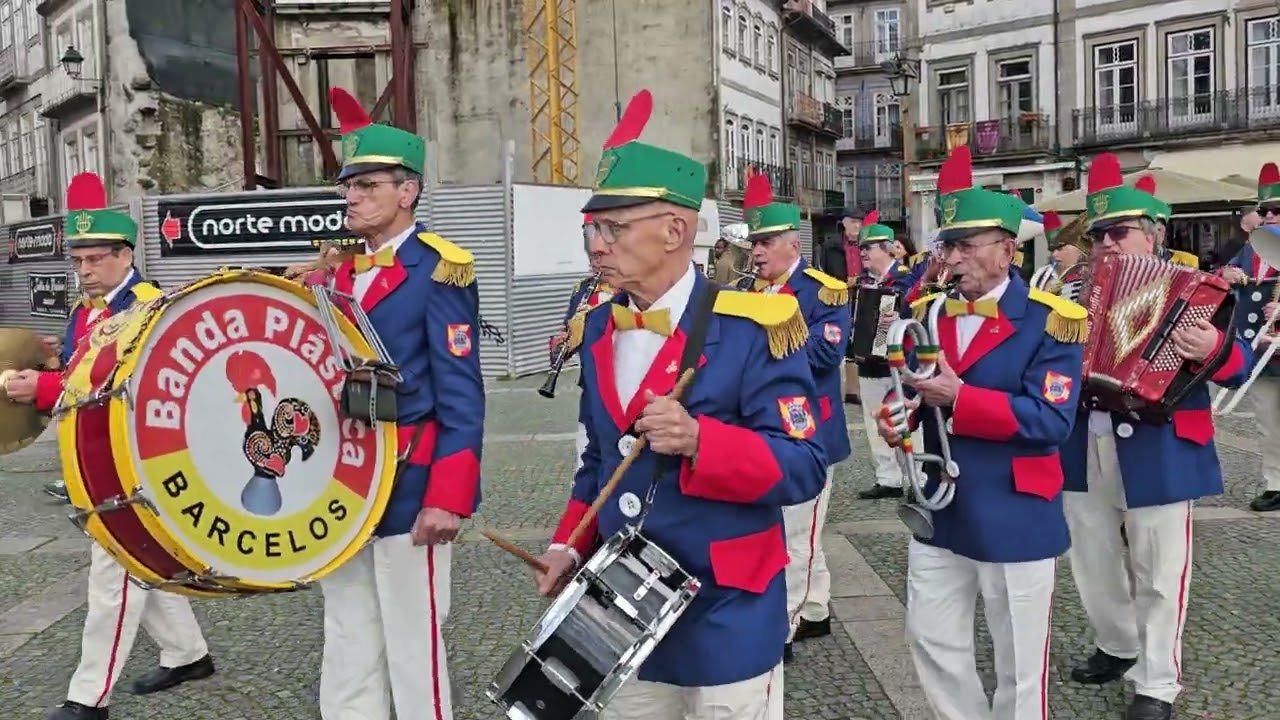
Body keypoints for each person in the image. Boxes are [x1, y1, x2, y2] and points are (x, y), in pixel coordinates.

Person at [532, 89, 827, 720]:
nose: (596, 246)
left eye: (613, 227)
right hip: (624, 601)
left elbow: (805, 464)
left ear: (675, 229)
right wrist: (566, 544)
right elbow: (597, 465)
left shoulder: (755, 325)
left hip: (727, 603)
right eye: (591, 229)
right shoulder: (597, 330)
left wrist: (703, 441)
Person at [875, 145, 1087, 720]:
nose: (954, 257)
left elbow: (1050, 422)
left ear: (1007, 252)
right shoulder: (932, 314)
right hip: (942, 507)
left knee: (1020, 661)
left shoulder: (1051, 319)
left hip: (1017, 508)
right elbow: (916, 397)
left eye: (967, 246)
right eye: (948, 245)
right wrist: (902, 415)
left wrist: (963, 399)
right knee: (932, 637)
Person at [2, 172, 215, 720]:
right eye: (78, 260)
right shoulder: (84, 312)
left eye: (96, 259)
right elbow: (80, 369)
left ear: (125, 256)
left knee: (113, 575)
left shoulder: (148, 306)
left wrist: (45, 386)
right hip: (92, 456)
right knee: (138, 562)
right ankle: (189, 654)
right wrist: (49, 362)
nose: (84, 270)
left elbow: (127, 383)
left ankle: (87, 697)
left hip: (136, 461)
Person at [307, 87, 485, 720]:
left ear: (406, 192)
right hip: (340, 479)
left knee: (415, 640)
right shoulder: (333, 273)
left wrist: (450, 493)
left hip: (411, 479)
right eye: (348, 186)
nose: (351, 196)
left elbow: (463, 395)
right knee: (347, 630)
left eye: (368, 185)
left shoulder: (440, 271)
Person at [1059, 153, 1253, 720]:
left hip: (1159, 440)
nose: (1106, 246)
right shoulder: (1073, 291)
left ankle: (1158, 681)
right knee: (1093, 558)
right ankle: (1118, 644)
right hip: (1086, 435)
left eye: (1117, 233)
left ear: (1154, 234)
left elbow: (1238, 361)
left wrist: (1210, 351)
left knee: (1160, 568)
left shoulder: (1198, 287)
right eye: (1097, 236)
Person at [738, 172, 851, 662]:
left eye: (765, 244)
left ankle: (779, 630)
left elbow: (825, 358)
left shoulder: (823, 291)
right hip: (760, 431)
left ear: (790, 244)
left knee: (794, 536)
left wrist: (763, 350)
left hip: (810, 434)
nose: (756, 253)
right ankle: (817, 610)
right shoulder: (746, 290)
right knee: (801, 530)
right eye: (754, 244)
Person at [1220, 163, 1280, 512]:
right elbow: (1222, 274)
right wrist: (1226, 273)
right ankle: (1275, 483)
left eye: (1278, 210)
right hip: (1262, 352)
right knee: (1268, 422)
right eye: (1265, 211)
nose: (1270, 216)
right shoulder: (1253, 248)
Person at [851, 214, 914, 500]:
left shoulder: (906, 280)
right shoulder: (861, 284)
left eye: (870, 247)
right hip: (868, 362)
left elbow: (920, 318)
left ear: (889, 248)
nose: (863, 252)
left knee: (905, 421)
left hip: (897, 364)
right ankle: (887, 478)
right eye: (862, 248)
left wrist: (902, 317)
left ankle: (916, 477)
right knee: (873, 423)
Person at [552, 213, 617, 470]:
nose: (594, 261)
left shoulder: (629, 291)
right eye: (591, 257)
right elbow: (567, 333)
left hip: (623, 395)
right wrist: (561, 346)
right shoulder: (582, 290)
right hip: (590, 396)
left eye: (599, 257)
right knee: (586, 466)